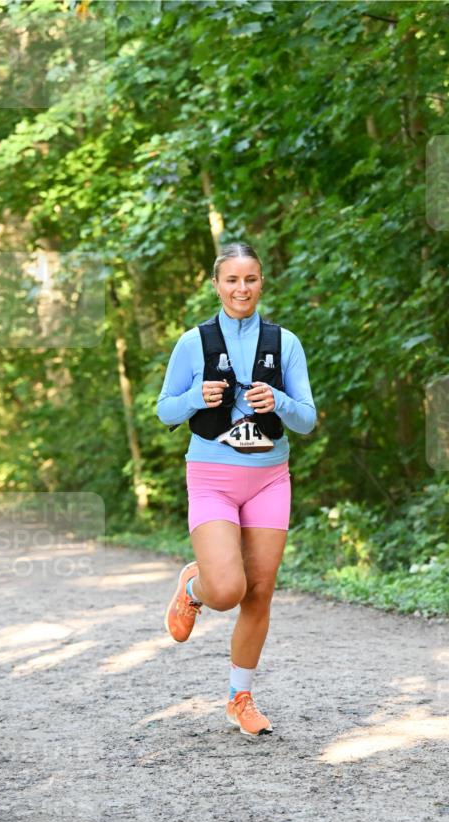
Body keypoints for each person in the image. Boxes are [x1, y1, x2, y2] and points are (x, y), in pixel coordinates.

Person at [157, 242, 316, 737]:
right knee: (227, 589)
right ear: (216, 284)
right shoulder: (193, 343)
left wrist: (281, 401)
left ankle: (239, 697)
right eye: (232, 280)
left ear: (261, 282)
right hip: (212, 477)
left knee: (260, 591)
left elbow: (307, 420)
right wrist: (192, 396)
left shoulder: (284, 342)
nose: (241, 288)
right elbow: (164, 410)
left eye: (250, 279)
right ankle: (194, 586)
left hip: (270, 477)